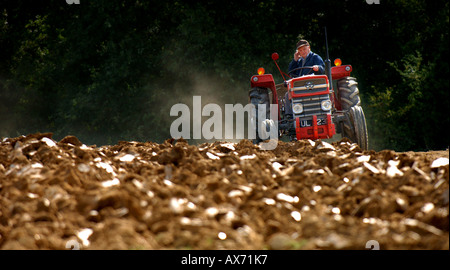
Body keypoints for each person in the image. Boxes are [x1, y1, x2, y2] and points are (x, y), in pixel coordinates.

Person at [284, 39, 325, 117]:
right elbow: (291, 72)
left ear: (309, 48)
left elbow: (322, 68)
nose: (303, 51)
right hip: (300, 85)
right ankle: (289, 116)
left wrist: (318, 68)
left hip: (312, 85)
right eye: (300, 50)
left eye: (304, 49)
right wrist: (295, 60)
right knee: (287, 94)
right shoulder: (298, 61)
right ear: (298, 52)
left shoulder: (315, 57)